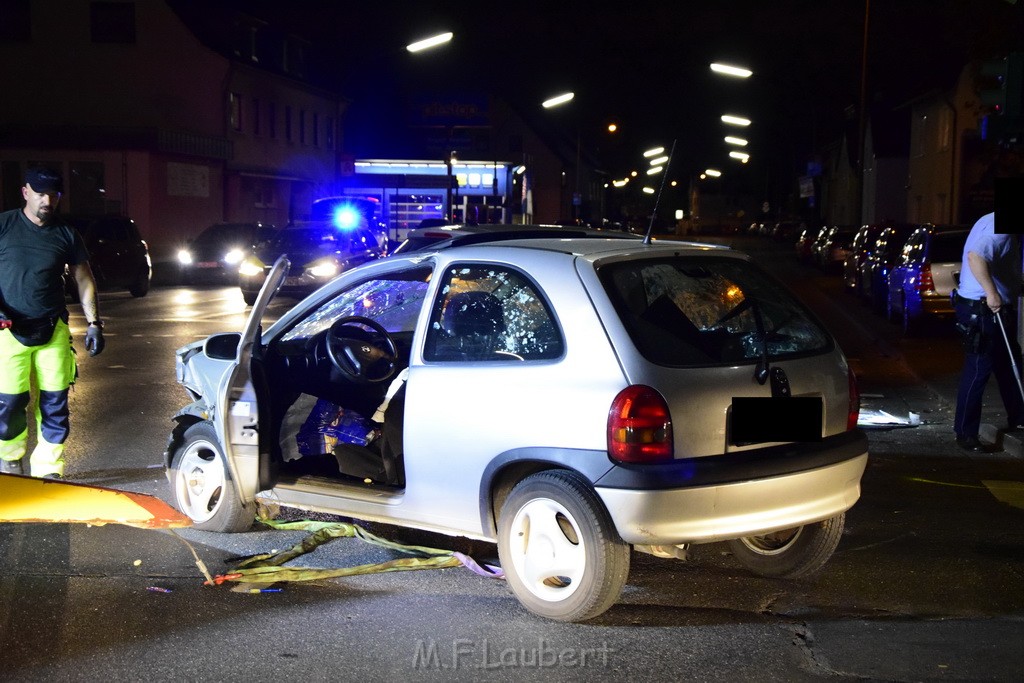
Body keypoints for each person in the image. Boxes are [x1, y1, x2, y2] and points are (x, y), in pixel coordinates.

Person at [0, 166, 105, 478]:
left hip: (53, 328)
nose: (48, 199)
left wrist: (95, 323)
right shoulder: (4, 226)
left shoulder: (65, 233)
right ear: (26, 192)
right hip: (8, 331)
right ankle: (10, 461)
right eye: (41, 192)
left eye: (54, 194)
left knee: (55, 404)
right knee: (9, 404)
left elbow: (83, 278)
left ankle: (49, 470)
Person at [953, 211, 1024, 453]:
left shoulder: (989, 219)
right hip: (985, 310)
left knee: (1009, 362)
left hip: (988, 308)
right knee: (978, 368)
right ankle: (966, 432)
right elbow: (976, 257)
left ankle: (1019, 416)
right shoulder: (1000, 230)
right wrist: (992, 293)